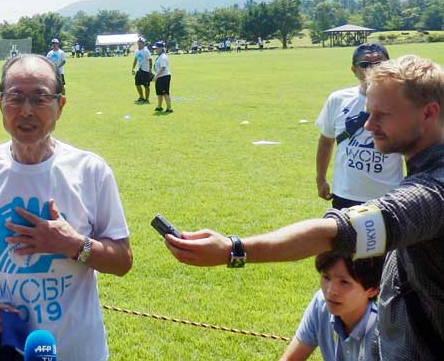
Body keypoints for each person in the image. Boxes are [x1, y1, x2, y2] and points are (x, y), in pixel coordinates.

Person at [165, 55, 444, 360]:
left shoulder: (434, 191)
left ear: (429, 113)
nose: (368, 125)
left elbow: (336, 232)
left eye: (383, 114)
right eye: (368, 112)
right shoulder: (422, 171)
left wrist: (233, 249)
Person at [0, 54, 132, 361]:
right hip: (0, 347)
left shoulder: (91, 171)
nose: (26, 110)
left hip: (77, 350)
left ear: (60, 105)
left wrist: (72, 244)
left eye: (39, 98)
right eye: (15, 97)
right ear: (1, 102)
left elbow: (122, 261)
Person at [315, 43, 403, 209]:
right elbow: (326, 142)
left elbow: (412, 149)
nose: (373, 69)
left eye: (379, 63)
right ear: (354, 70)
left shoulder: (403, 101)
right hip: (346, 194)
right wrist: (320, 179)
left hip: (389, 196)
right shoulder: (338, 100)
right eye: (365, 64)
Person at [280, 253, 383, 361]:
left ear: (373, 289)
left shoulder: (385, 331)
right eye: (326, 277)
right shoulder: (321, 304)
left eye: (344, 282)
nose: (330, 291)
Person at [150, 41, 173, 113]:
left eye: (156, 48)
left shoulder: (163, 57)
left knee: (165, 93)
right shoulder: (159, 56)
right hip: (160, 77)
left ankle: (169, 108)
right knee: (159, 93)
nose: (155, 49)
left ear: (161, 48)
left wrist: (155, 77)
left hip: (164, 76)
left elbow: (163, 68)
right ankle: (159, 107)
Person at [131, 37, 152, 103]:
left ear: (143, 43)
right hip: (139, 70)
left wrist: (150, 69)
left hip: (145, 70)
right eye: (138, 43)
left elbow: (150, 60)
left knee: (146, 86)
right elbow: (135, 60)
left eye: (141, 43)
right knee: (137, 84)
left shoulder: (146, 51)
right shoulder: (137, 51)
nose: (139, 44)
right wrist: (133, 68)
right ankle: (141, 97)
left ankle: (147, 99)